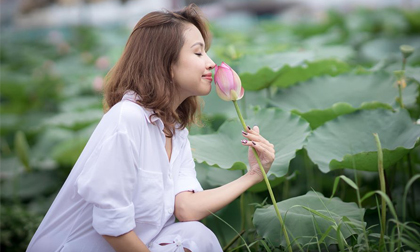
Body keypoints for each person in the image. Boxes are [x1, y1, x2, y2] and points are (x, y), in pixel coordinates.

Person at [27, 4, 275, 252]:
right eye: (198, 53)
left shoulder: (175, 130)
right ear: (165, 62)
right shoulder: (127, 119)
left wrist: (253, 174)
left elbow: (186, 208)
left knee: (194, 235)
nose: (211, 63)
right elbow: (113, 227)